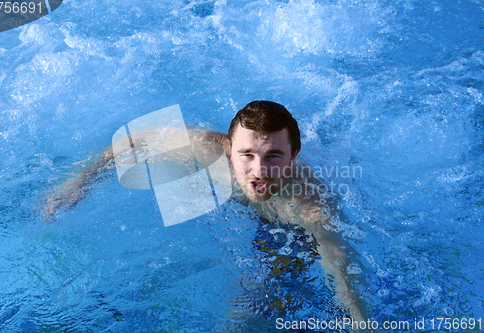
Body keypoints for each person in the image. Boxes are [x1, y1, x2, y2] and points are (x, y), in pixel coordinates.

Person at [43, 100, 369, 324]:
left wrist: (358, 318)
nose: (258, 170)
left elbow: (339, 258)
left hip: (285, 226)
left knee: (256, 306)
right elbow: (135, 140)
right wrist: (78, 180)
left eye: (273, 156)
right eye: (247, 155)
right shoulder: (208, 149)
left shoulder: (310, 206)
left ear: (293, 155)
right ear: (229, 147)